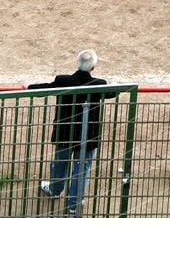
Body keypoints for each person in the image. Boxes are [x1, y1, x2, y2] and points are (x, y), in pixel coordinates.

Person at [27, 49, 112, 214]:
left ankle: (54, 189)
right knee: (82, 169)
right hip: (88, 136)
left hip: (65, 133)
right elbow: (111, 92)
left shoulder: (62, 80)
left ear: (77, 63)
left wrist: (28, 86)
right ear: (93, 67)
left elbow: (45, 88)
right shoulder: (99, 84)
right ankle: (74, 204)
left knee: (60, 163)